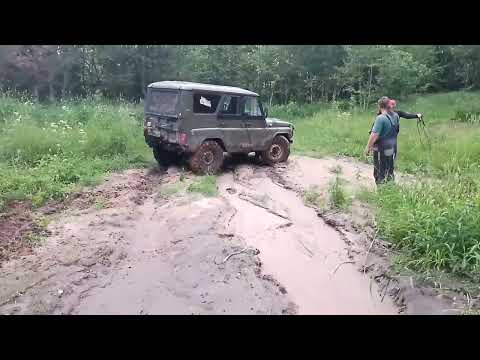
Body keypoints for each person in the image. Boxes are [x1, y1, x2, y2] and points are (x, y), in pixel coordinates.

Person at [364, 97, 399, 184]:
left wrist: (368, 148)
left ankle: (381, 194)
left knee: (379, 173)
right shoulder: (395, 116)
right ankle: (391, 191)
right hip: (392, 148)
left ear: (379, 106)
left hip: (381, 150)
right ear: (388, 105)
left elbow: (374, 135)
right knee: (389, 171)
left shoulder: (381, 118)